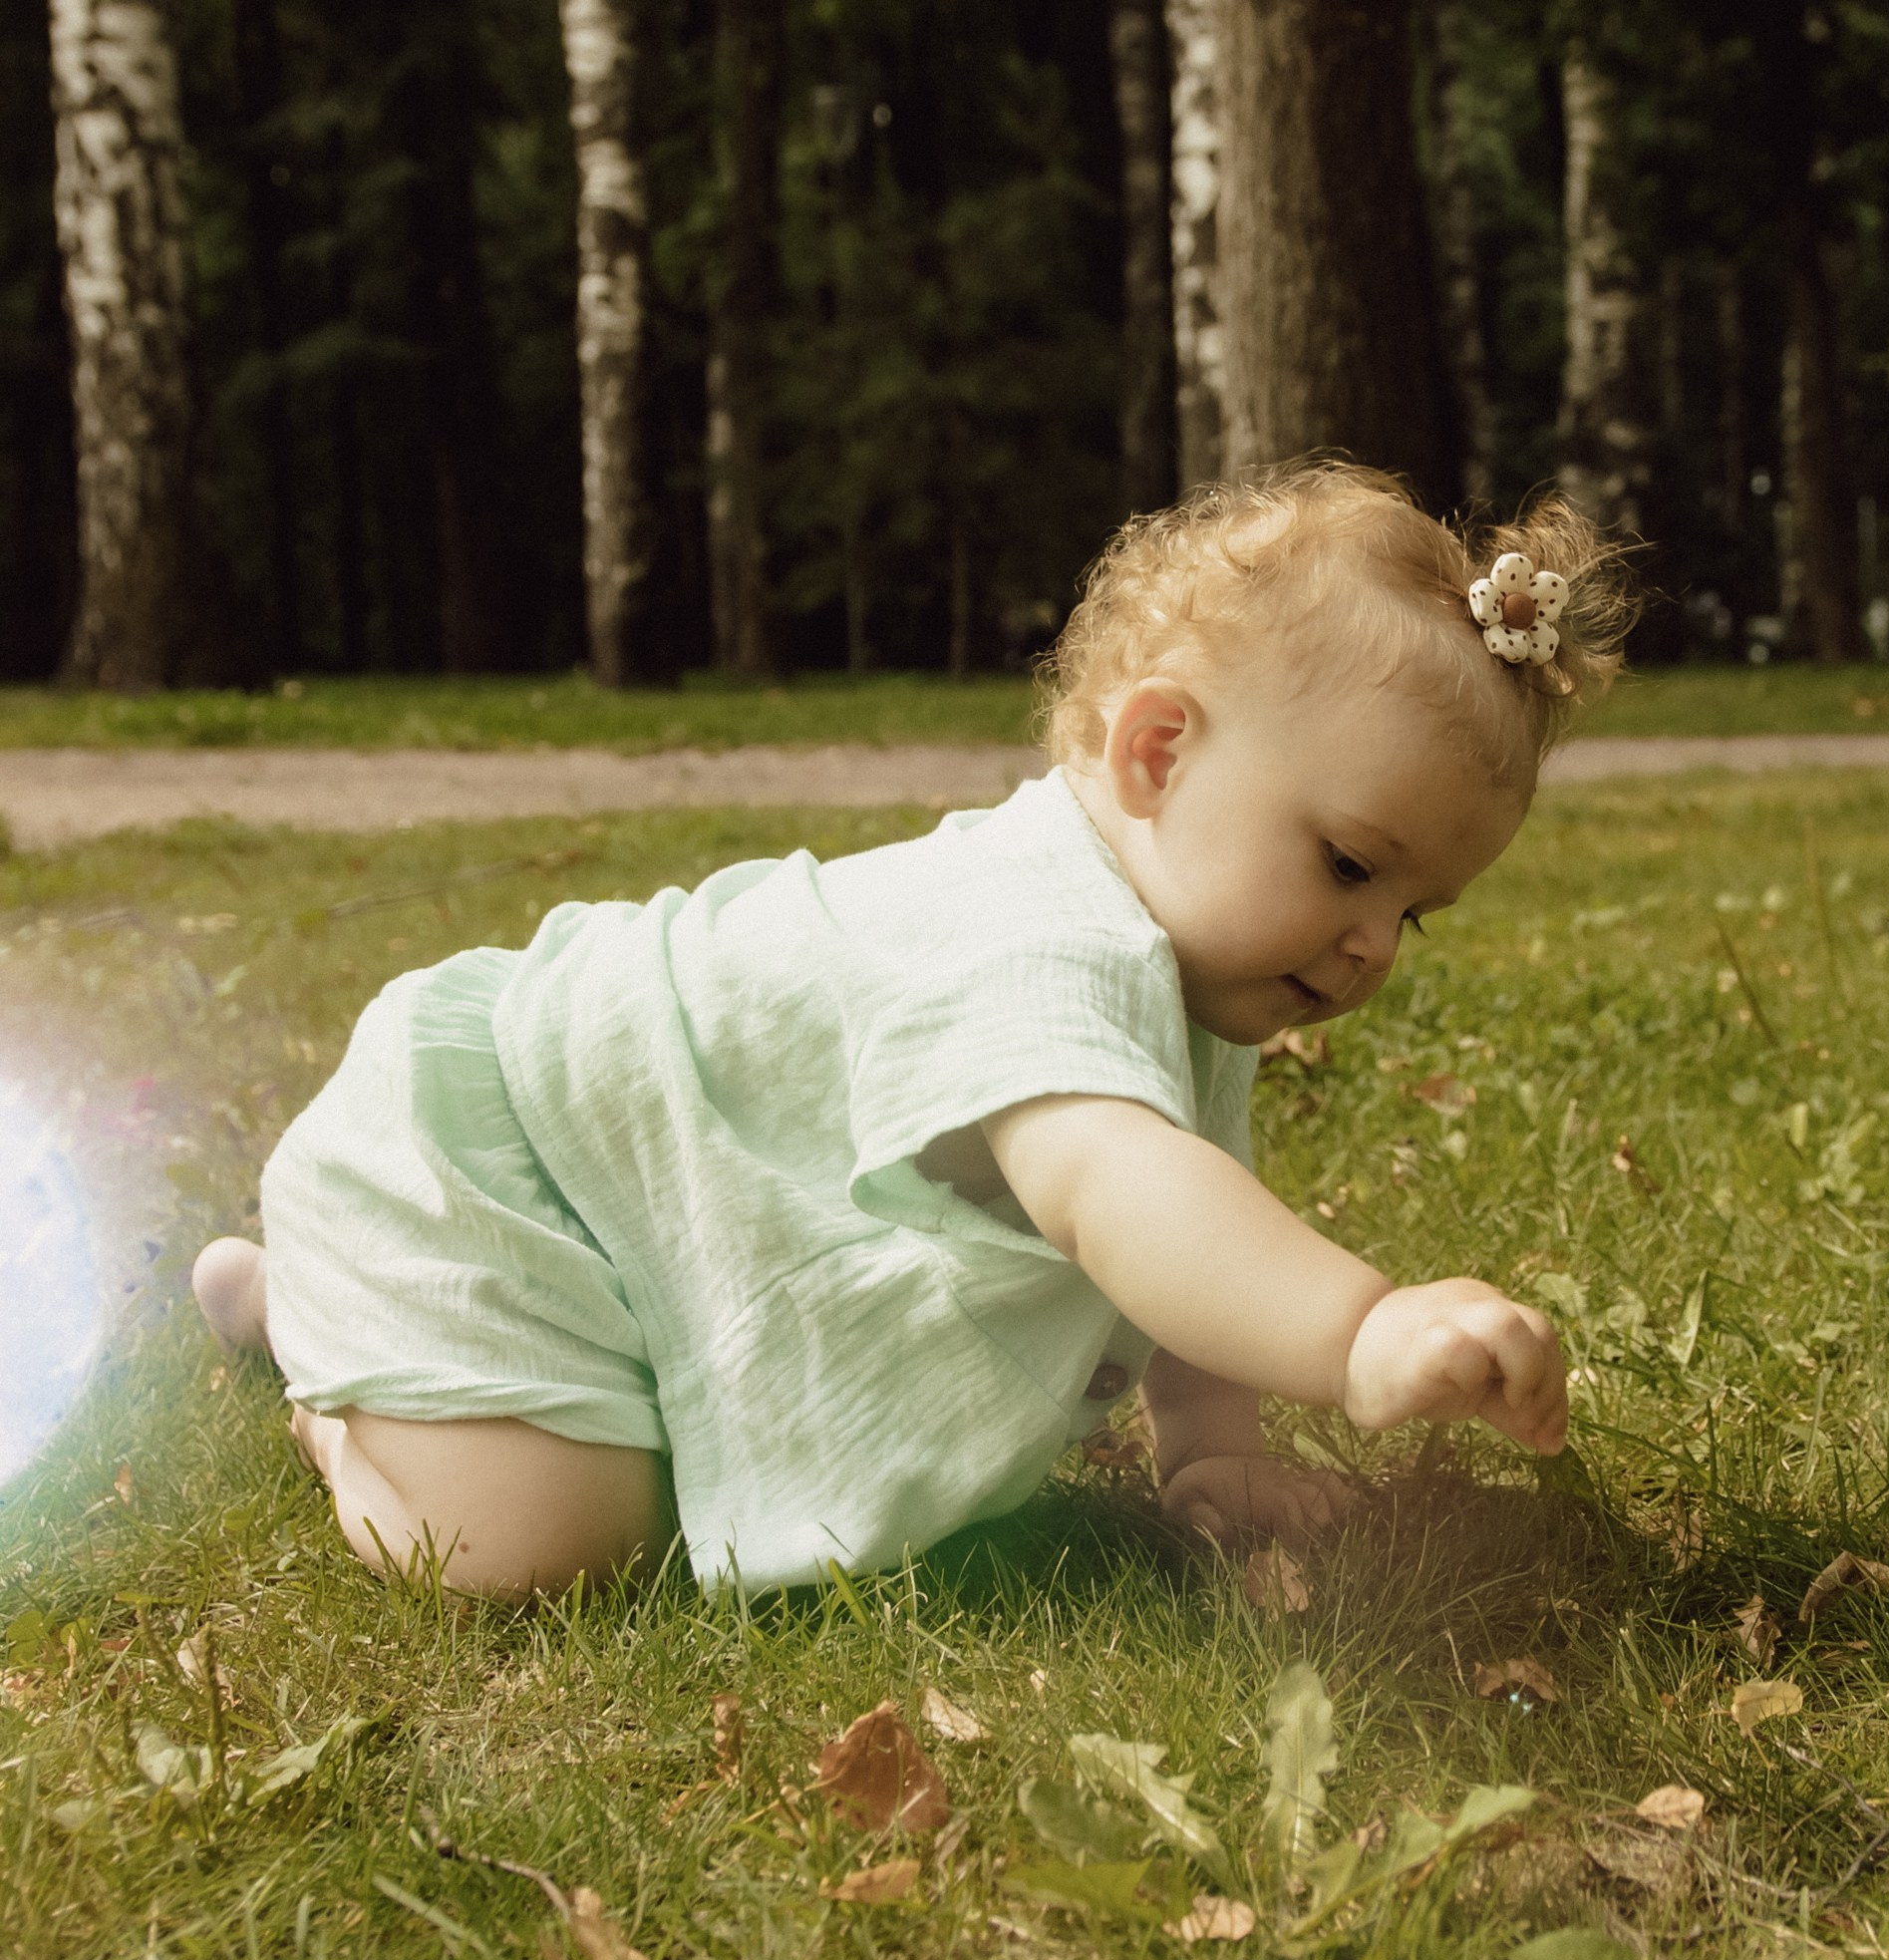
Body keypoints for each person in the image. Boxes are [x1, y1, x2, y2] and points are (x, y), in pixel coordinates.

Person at [191, 458, 1628, 1600]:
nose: (1370, 943)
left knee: (613, 1484)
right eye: (1349, 864)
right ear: (1157, 752)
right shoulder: (1033, 932)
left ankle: (375, 1339)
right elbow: (1128, 1203)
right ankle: (324, 1340)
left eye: (1413, 913)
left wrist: (1212, 1455)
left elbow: (1195, 1225)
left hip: (622, 1208)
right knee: (531, 1549)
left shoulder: (1185, 974)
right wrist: (1360, 1330)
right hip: (496, 1166)